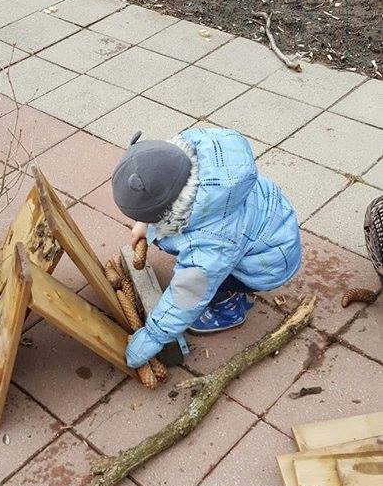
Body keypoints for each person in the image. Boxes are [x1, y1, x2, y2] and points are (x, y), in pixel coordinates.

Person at [111, 127, 302, 369]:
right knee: (207, 263)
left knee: (207, 281)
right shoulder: (194, 152)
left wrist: (152, 336)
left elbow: (188, 293)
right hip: (269, 221)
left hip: (269, 262)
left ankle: (228, 307)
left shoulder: (211, 243)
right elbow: (160, 189)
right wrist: (144, 224)